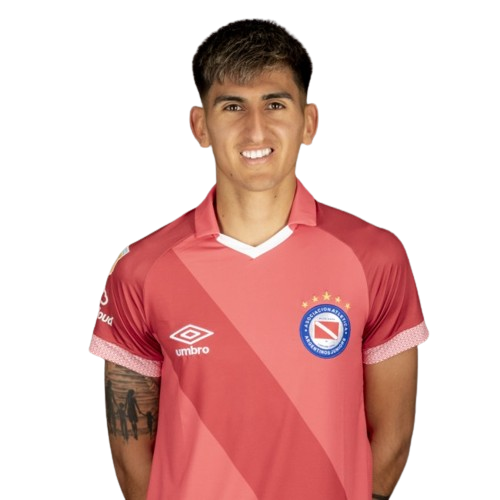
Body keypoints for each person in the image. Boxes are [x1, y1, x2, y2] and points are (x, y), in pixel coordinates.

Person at [89, 18, 429, 500]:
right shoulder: (140, 268)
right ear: (199, 126)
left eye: (275, 104)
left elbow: (393, 438)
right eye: (232, 106)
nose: (255, 128)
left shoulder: (375, 256)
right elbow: (129, 452)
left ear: (309, 123)